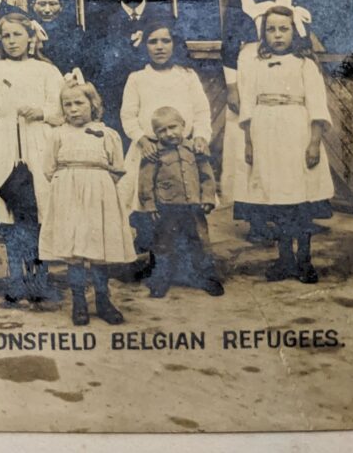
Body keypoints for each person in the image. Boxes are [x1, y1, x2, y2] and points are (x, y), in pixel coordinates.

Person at [221, 0, 314, 244]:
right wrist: (232, 86)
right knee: (248, 143)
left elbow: (300, 40)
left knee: (286, 143)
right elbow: (228, 45)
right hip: (247, 67)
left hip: (282, 76)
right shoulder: (239, 1)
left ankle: (294, 212)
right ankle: (257, 220)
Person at [0, 13, 65, 307]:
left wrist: (42, 113)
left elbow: (64, 109)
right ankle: (14, 276)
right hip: (4, 146)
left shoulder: (47, 71)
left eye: (18, 35)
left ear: (31, 38)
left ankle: (39, 276)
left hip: (39, 143)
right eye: (6, 37)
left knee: (39, 208)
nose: (12, 42)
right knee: (10, 210)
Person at [238, 5, 333, 284]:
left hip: (297, 132)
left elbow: (316, 106)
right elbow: (248, 105)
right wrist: (249, 143)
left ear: (295, 32)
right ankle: (284, 259)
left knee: (299, 201)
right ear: (263, 34)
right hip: (265, 133)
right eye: (271, 29)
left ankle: (304, 259)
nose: (277, 35)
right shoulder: (254, 64)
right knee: (276, 201)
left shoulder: (305, 64)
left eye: (283, 29)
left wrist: (314, 142)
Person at [117, 20, 211, 279]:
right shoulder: (137, 78)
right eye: (153, 41)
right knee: (149, 208)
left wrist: (201, 136)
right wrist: (141, 139)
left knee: (186, 209)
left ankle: (190, 266)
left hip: (183, 154)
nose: (159, 47)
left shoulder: (187, 76)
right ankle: (156, 265)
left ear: (174, 44)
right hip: (149, 152)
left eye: (165, 41)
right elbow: (128, 116)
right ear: (145, 46)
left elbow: (202, 111)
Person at [39, 83, 135, 326]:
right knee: (75, 252)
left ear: (93, 104)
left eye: (79, 103)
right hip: (68, 195)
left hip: (99, 196)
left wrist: (96, 185)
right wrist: (72, 183)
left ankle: (103, 300)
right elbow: (49, 169)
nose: (73, 109)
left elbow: (117, 168)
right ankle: (79, 301)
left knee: (98, 251)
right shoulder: (58, 134)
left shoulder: (108, 134)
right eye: (67, 105)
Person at [136, 106, 223, 298]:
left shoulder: (194, 148)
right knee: (163, 245)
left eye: (173, 127)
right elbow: (145, 183)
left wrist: (207, 198)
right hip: (166, 209)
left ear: (183, 125)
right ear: (156, 133)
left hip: (193, 208)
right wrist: (150, 205)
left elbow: (207, 176)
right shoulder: (154, 154)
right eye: (162, 130)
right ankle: (161, 280)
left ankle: (206, 278)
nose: (169, 133)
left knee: (199, 242)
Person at [82, 0, 174, 139]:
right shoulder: (100, 19)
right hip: (115, 96)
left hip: (154, 92)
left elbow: (178, 52)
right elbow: (92, 60)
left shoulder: (163, 16)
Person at [30, 0, 82, 72]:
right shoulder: (26, 29)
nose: (47, 10)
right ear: (33, 6)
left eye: (53, 4)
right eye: (42, 4)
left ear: (61, 6)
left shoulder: (73, 32)